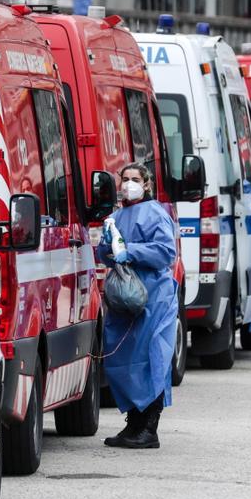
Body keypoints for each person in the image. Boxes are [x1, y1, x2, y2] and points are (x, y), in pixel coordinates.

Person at [97, 163, 178, 450]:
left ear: (146, 184)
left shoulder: (156, 212)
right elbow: (107, 255)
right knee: (124, 358)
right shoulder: (117, 216)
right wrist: (107, 248)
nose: (129, 184)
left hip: (153, 295)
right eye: (125, 179)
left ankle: (149, 427)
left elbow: (166, 252)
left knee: (151, 357)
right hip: (124, 296)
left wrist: (130, 251)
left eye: (135, 179)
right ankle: (133, 424)